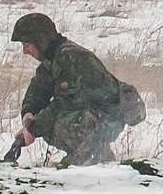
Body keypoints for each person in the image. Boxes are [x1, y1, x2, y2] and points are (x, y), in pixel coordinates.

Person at [10, 13, 128, 166]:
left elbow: (65, 103)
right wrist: (28, 115)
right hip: (94, 116)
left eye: (27, 45)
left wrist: (34, 128)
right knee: (52, 122)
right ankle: (91, 157)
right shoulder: (52, 59)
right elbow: (37, 91)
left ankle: (90, 158)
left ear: (40, 40)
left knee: (58, 123)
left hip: (108, 116)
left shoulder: (70, 57)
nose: (25, 51)